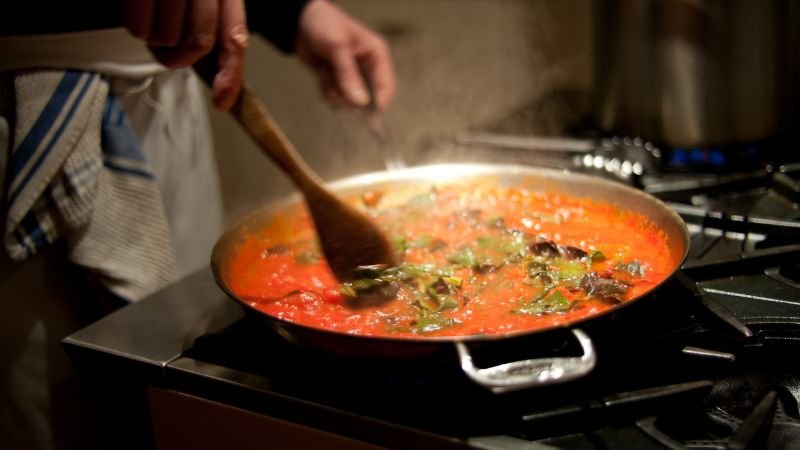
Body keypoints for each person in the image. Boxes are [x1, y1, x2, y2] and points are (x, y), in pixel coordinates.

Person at [0, 1, 395, 449]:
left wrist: (291, 12)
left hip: (167, 89)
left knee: (185, 361)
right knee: (57, 413)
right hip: (19, 119)